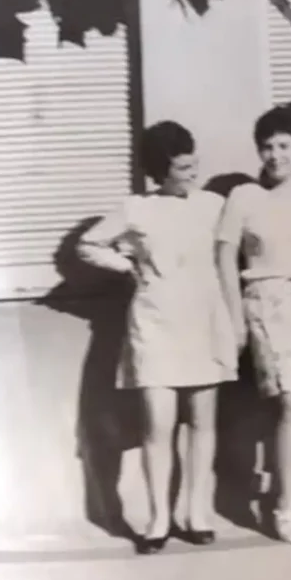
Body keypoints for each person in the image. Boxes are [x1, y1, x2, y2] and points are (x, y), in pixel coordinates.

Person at [77, 121, 235, 554]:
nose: (192, 171)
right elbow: (88, 245)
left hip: (204, 321)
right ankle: (158, 518)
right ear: (159, 171)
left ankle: (196, 511)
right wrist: (127, 266)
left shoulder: (214, 205)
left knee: (203, 423)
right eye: (182, 167)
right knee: (157, 424)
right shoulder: (137, 209)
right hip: (155, 324)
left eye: (192, 162)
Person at [215, 106, 291, 542]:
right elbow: (225, 257)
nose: (275, 154)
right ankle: (286, 505)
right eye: (267, 146)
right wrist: (234, 317)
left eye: (284, 145)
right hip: (264, 302)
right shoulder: (244, 197)